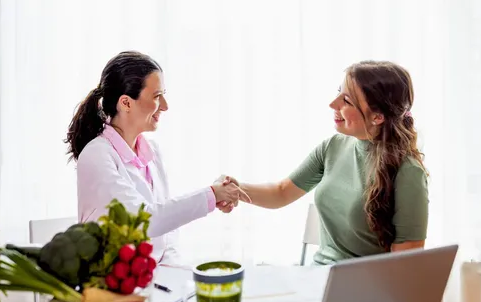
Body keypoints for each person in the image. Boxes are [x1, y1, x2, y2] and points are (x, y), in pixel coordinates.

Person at [219, 60, 428, 265]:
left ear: (378, 116)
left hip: (365, 287)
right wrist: (234, 190)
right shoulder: (333, 146)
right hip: (318, 275)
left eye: (346, 100)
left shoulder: (408, 172)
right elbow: (282, 192)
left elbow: (405, 265)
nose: (332, 104)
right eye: (339, 92)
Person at [65, 51, 249, 264]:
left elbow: (167, 235)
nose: (165, 105)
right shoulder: (97, 155)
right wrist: (212, 195)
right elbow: (146, 220)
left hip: (152, 282)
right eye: (156, 96)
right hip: (108, 287)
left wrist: (172, 275)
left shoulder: (151, 152)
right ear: (126, 103)